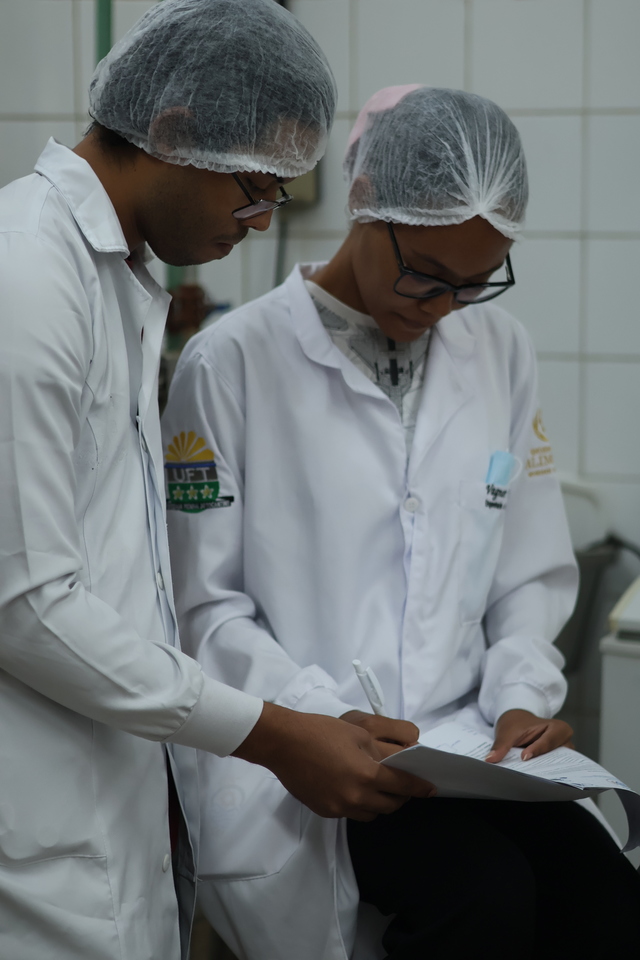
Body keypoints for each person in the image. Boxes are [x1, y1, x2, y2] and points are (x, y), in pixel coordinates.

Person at [162, 86, 640, 960]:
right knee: (484, 901)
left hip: (467, 745)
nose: (442, 306)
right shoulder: (230, 361)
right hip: (306, 748)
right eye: (424, 272)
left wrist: (523, 699)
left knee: (609, 899)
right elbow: (206, 607)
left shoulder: (501, 351)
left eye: (474, 284)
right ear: (363, 202)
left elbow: (528, 575)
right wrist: (318, 718)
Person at [0, 8, 433, 958]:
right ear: (174, 129)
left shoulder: (112, 277)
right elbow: (24, 603)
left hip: (106, 811)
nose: (265, 219)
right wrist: (271, 733)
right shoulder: (27, 274)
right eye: (254, 187)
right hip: (36, 851)